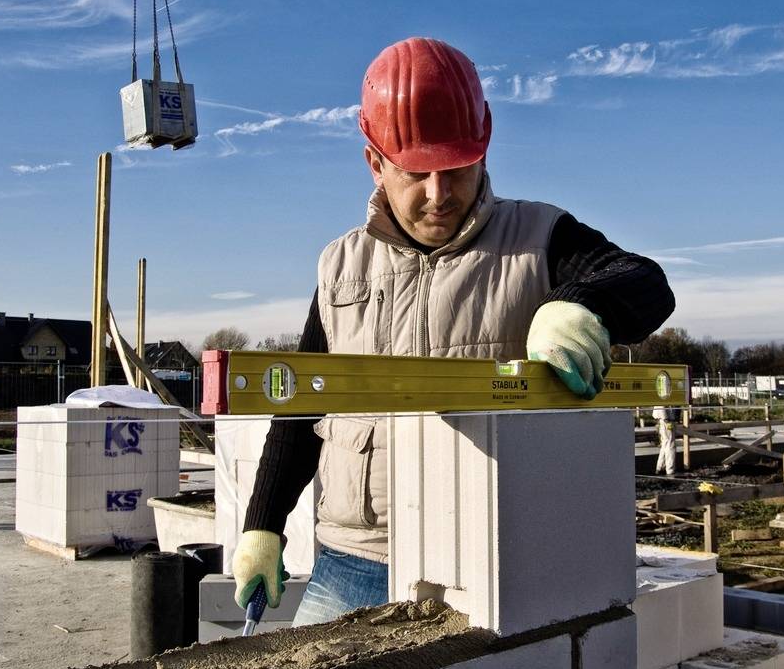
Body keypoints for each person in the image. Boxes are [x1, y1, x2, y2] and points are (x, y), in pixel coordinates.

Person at [231, 37, 675, 625]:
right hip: (353, 561)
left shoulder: (538, 237)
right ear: (376, 163)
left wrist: (580, 305)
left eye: (457, 169)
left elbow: (646, 283)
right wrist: (263, 525)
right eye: (416, 173)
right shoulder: (339, 266)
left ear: (484, 152)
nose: (439, 194)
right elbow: (302, 408)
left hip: (490, 560)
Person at [654, 406, 677, 476]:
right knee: (670, 446)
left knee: (665, 445)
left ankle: (659, 468)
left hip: (663, 420)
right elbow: (662, 403)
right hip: (666, 420)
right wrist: (666, 418)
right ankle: (670, 470)